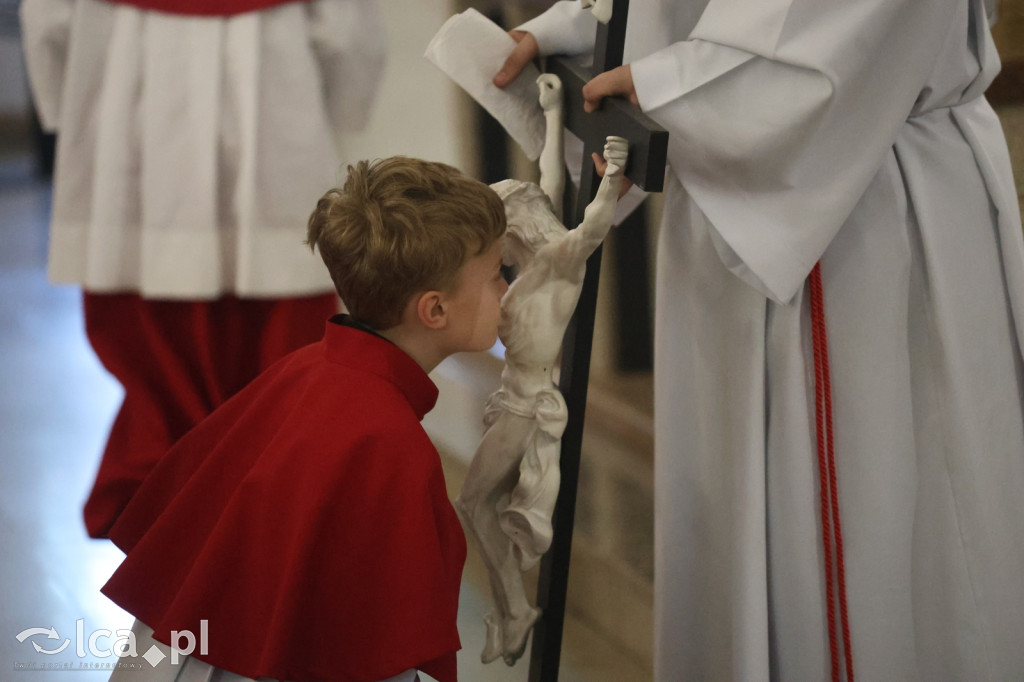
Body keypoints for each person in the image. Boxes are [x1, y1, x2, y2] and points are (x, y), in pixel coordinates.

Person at [492, 1, 1024, 680]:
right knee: (734, 518)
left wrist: (680, 80)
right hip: (730, 186)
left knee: (873, 528)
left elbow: (838, 37)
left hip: (846, 188)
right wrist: (590, 27)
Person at [99, 156, 508, 682]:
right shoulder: (386, 439)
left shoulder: (306, 368)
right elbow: (387, 647)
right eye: (496, 275)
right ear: (435, 311)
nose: (505, 292)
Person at [19, 0, 387, 539]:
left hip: (130, 118)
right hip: (269, 108)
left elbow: (49, 20)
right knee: (281, 335)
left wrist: (65, 104)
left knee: (150, 331)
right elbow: (348, 31)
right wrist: (345, 105)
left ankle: (164, 485)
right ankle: (275, 491)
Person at [456, 131, 628, 666]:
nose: (494, 249)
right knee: (481, 503)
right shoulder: (535, 264)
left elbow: (594, 226)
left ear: (512, 229)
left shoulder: (556, 263)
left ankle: (513, 609)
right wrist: (554, 117)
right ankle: (512, 606)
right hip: (510, 396)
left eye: (495, 235)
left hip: (526, 404)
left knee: (473, 502)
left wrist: (613, 177)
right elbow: (547, 181)